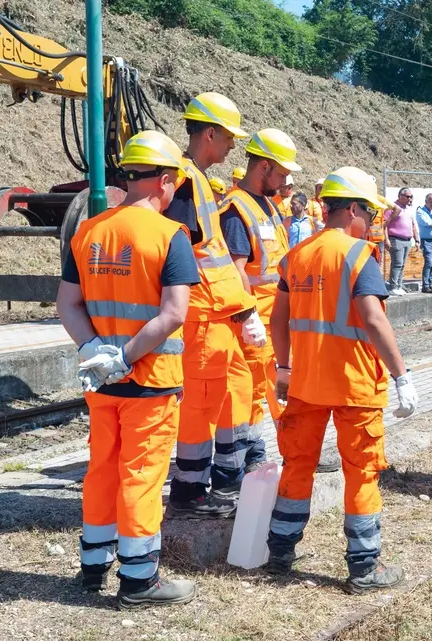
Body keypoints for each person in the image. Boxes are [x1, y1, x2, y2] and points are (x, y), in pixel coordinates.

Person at [58, 130, 199, 608]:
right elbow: (174, 314)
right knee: (141, 473)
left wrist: (96, 349)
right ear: (163, 180)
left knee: (102, 468)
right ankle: (139, 578)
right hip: (150, 380)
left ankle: (93, 563)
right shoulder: (169, 237)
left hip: (102, 381)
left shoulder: (88, 231)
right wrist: (127, 356)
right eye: (175, 183)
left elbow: (67, 302)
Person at [265, 166, 419, 593]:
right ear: (352, 209)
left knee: (297, 466)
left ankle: (280, 551)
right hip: (355, 386)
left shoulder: (296, 256)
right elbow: (372, 319)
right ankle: (364, 568)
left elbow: (278, 319)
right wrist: (402, 376)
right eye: (369, 214)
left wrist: (284, 367)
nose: (371, 223)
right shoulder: (358, 255)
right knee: (361, 473)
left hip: (306, 384)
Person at [162, 92, 262, 518]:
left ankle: (221, 477)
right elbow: (185, 256)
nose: (232, 147)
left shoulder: (195, 180)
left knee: (223, 396)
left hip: (216, 313)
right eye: (228, 138)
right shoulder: (186, 182)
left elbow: (210, 255)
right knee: (200, 407)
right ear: (209, 134)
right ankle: (188, 491)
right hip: (201, 314)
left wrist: (241, 309)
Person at [219, 129, 300, 477]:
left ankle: (275, 453)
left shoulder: (266, 204)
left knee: (275, 392)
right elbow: (236, 269)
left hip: (274, 318)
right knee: (253, 395)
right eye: (281, 174)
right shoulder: (236, 210)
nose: (285, 183)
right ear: (263, 167)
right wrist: (249, 315)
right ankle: (251, 460)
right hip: (253, 323)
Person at [384, 188, 418, 296]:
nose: (410, 199)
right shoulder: (392, 208)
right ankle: (393, 286)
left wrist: (416, 239)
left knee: (402, 264)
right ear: (400, 196)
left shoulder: (408, 209)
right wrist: (386, 239)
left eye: (411, 196)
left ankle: (398, 285)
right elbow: (385, 224)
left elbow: (413, 225)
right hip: (396, 239)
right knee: (397, 264)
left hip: (407, 240)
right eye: (407, 196)